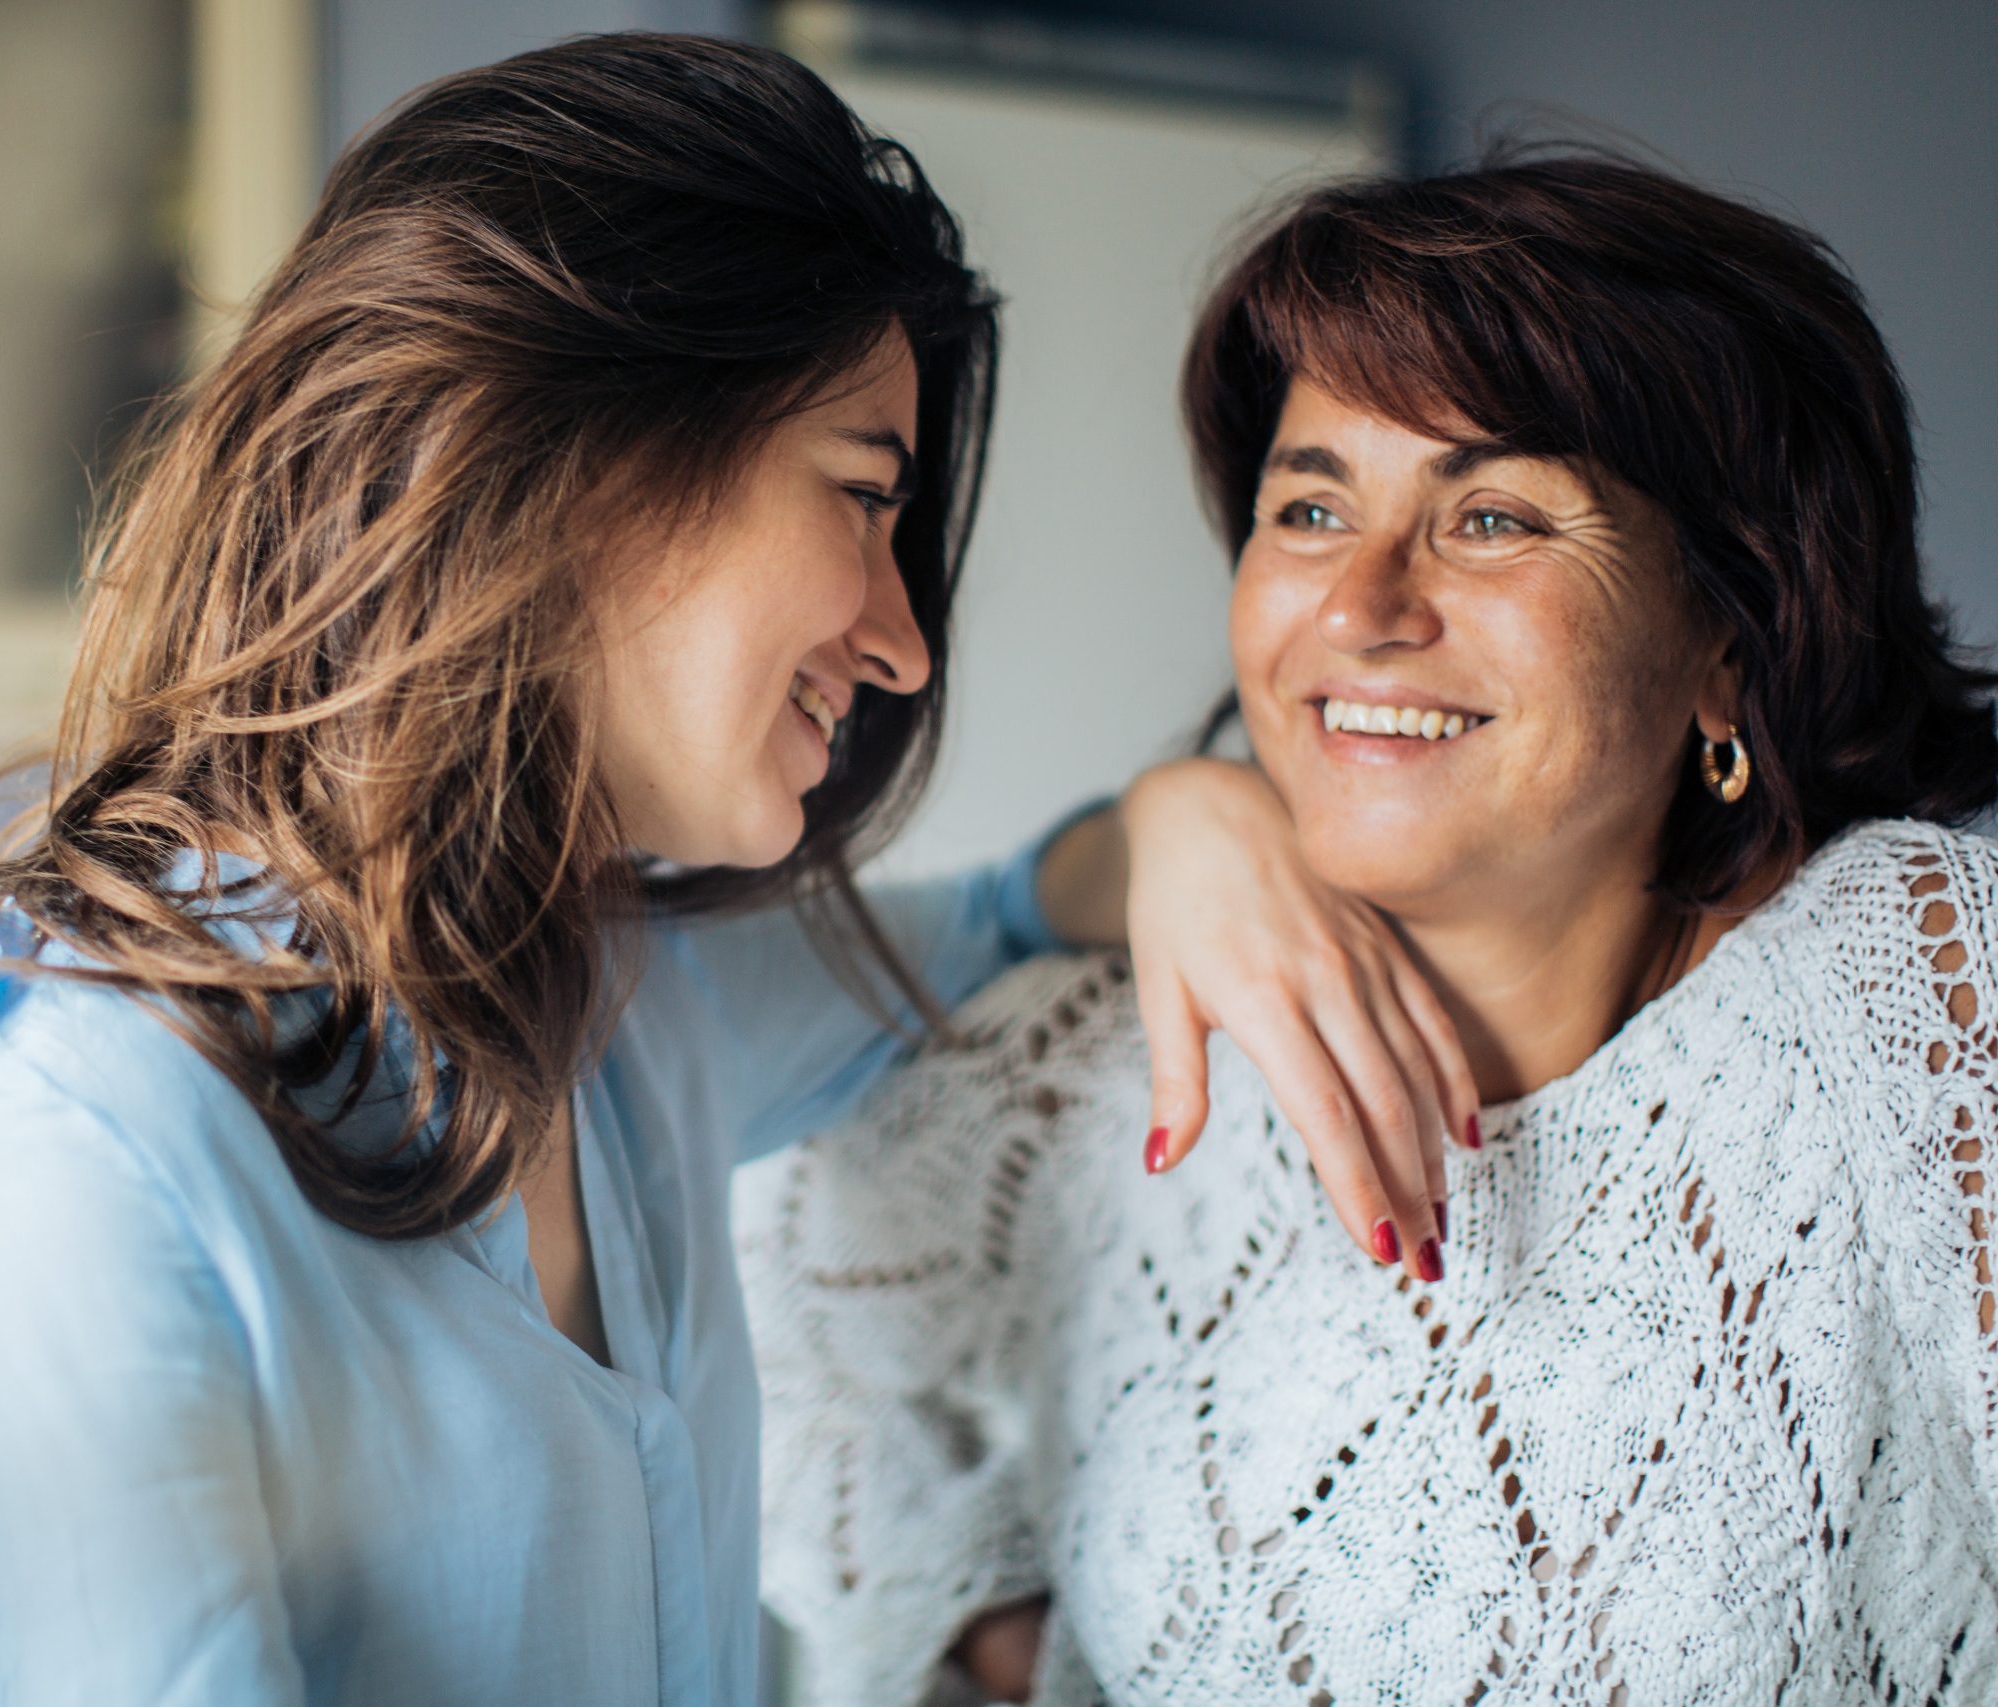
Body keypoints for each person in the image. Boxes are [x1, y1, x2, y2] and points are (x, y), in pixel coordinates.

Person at [0, 36, 1475, 1707]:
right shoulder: (71, 1148)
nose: (904, 646)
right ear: (580, 462)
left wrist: (1197, 814)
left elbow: (991, 924)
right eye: (859, 497)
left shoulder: (615, 998)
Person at [744, 149, 1998, 1706]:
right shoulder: (1099, 1071)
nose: (1362, 602)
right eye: (1312, 503)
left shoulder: (1916, 999)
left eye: (1492, 518)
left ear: (1727, 647)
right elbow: (792, 1346)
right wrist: (1004, 1646)